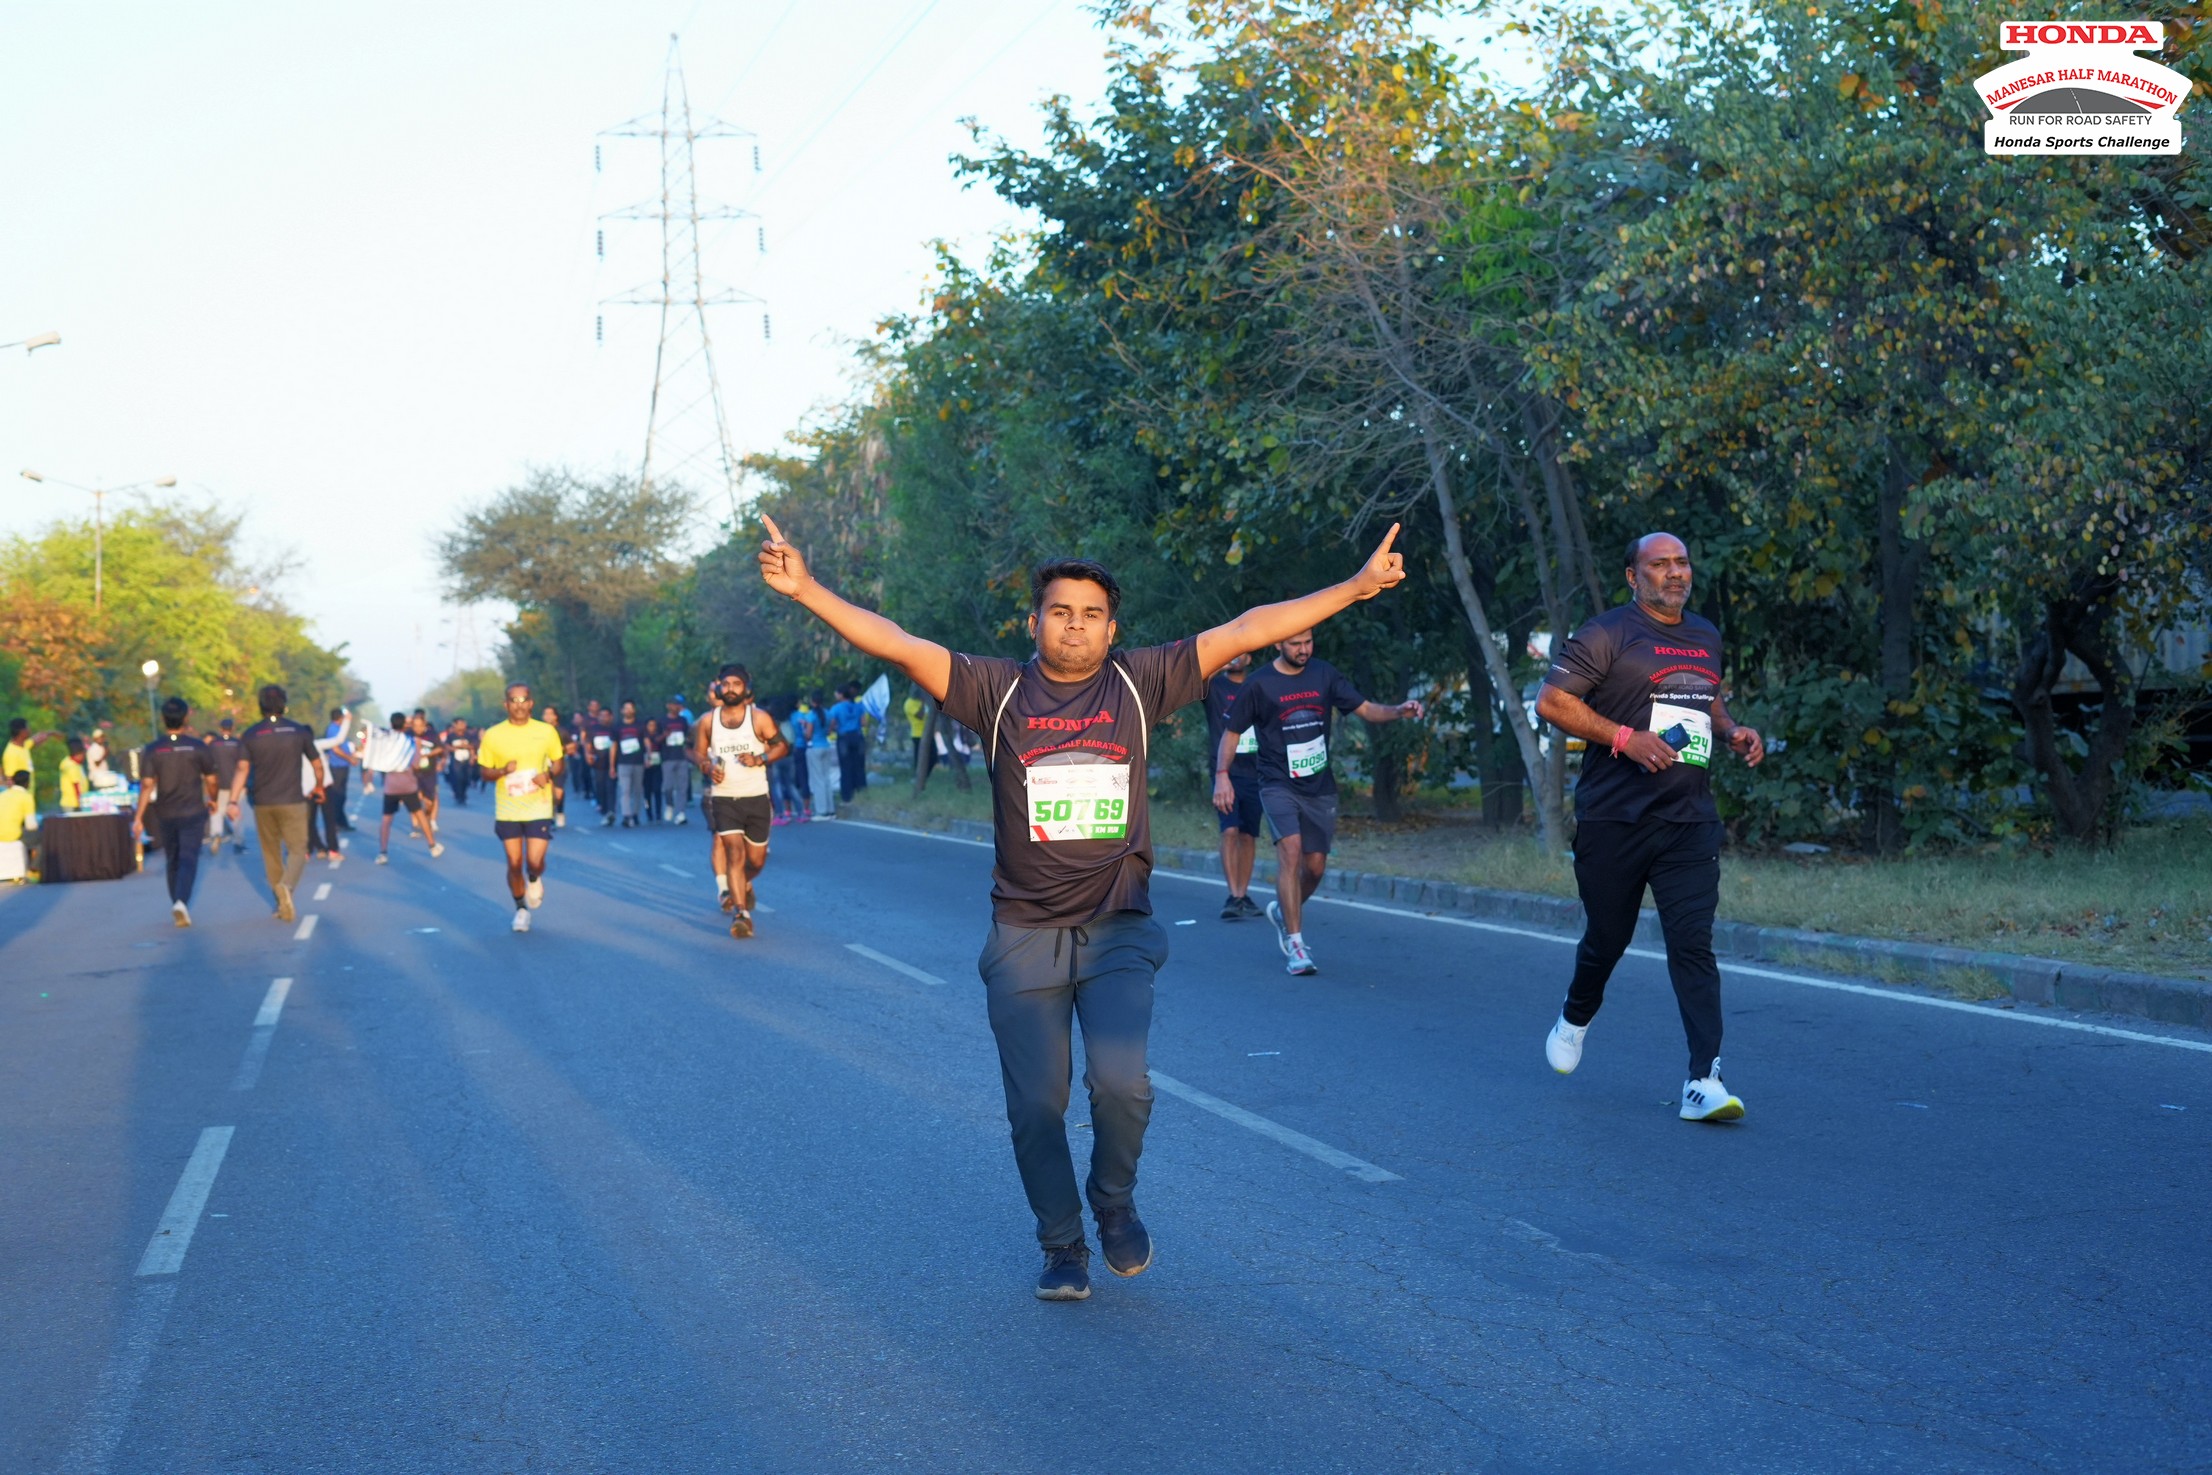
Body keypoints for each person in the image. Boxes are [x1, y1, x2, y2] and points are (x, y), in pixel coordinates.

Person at [759, 512, 1411, 1301]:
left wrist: (1356, 586)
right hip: (1023, 934)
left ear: (1112, 628)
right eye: (1061, 611)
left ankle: (1113, 1200)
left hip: (1117, 925)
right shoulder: (995, 689)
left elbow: (1248, 628)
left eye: (1092, 613)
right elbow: (896, 642)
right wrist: (807, 589)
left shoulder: (1141, 680)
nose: (1076, 625)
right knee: (1037, 1105)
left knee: (1122, 1082)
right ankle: (1062, 1241)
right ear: (1034, 622)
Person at [1533, 532, 1765, 1123]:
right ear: (1633, 577)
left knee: (1693, 943)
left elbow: (1707, 699)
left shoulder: (1706, 635)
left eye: (1682, 562)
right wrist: (1624, 738)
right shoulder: (1607, 633)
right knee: (1608, 938)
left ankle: (1703, 1081)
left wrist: (1730, 731)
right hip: (1615, 817)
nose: (1675, 572)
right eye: (1659, 564)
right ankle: (1576, 1014)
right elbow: (1552, 703)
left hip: (1688, 818)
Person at [1221, 631, 1424, 977]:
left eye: (1308, 642)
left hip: (1319, 786)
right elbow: (1232, 732)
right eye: (1295, 643)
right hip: (1277, 783)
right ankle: (1296, 944)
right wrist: (1221, 775)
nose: (1303, 649)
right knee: (1290, 851)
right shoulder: (1259, 684)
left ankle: (1284, 911)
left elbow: (1366, 709)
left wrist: (1398, 711)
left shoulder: (1324, 674)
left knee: (1314, 868)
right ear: (1278, 644)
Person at [693, 665, 788, 936]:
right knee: (734, 853)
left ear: (745, 688)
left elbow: (782, 746)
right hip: (724, 798)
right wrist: (707, 767)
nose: (731, 688)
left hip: (756, 797)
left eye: (736, 684)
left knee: (756, 861)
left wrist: (760, 758)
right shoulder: (708, 721)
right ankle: (741, 914)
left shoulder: (759, 718)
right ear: (718, 687)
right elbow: (698, 753)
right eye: (726, 684)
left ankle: (744, 884)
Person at [226, 683, 328, 923]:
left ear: (260, 706)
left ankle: (281, 902)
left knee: (271, 853)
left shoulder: (251, 734)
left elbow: (242, 769)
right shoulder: (298, 731)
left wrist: (233, 801)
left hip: (262, 802)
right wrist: (319, 786)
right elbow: (317, 765)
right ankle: (286, 886)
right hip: (292, 800)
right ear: (284, 705)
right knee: (298, 848)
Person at [477, 682, 566, 934]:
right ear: (506, 704)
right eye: (513, 701)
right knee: (514, 863)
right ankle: (521, 909)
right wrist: (503, 771)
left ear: (531, 703)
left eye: (523, 700)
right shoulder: (493, 735)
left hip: (538, 805)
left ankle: (534, 878)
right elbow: (484, 772)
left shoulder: (546, 731)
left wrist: (548, 775)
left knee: (534, 862)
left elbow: (558, 763)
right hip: (508, 808)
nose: (519, 705)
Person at [131, 696, 220, 926]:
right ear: (186, 718)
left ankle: (176, 902)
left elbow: (147, 785)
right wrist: (213, 799)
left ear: (163, 719)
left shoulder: (153, 749)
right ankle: (181, 901)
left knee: (172, 858)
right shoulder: (197, 746)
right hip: (193, 811)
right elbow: (211, 780)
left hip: (165, 812)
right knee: (188, 857)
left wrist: (138, 817)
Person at [1204, 650, 1265, 921]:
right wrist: (1221, 659)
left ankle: (1243, 893)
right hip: (1224, 773)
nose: (1236, 658)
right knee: (1229, 830)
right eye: (1233, 654)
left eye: (1242, 654)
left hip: (1255, 771)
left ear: (1249, 660)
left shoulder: (1257, 686)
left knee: (1248, 835)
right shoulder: (1215, 687)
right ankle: (1233, 895)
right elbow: (1198, 679)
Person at [372, 713, 443, 864]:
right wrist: (418, 749)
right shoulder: (410, 741)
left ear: (391, 724)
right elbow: (416, 764)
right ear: (405, 725)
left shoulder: (386, 741)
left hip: (391, 786)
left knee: (386, 819)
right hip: (408, 785)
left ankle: (382, 852)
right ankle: (432, 846)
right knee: (420, 814)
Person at [206, 717, 245, 853]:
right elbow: (243, 765)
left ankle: (216, 834)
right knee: (235, 814)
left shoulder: (213, 744)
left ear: (220, 729)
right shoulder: (238, 744)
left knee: (216, 812)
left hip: (219, 784)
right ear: (232, 728)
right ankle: (238, 842)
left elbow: (209, 764)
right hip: (236, 785)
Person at [609, 699, 648, 827]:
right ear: (622, 711)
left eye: (631, 708)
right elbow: (613, 746)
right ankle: (626, 815)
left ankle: (635, 814)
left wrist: (648, 756)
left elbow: (646, 742)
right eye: (626, 708)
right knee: (624, 790)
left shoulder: (640, 725)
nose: (628, 711)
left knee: (637, 790)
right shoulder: (617, 727)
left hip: (638, 762)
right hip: (623, 762)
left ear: (634, 710)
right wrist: (612, 765)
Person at [827, 682, 869, 803]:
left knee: (845, 767)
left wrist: (833, 729)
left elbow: (831, 724)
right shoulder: (859, 706)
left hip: (844, 738)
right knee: (859, 766)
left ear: (841, 695)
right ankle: (861, 791)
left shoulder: (836, 708)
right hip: (858, 737)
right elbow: (864, 723)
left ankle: (847, 796)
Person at [795, 692, 834, 819]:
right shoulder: (828, 713)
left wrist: (804, 727)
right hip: (826, 746)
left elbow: (808, 735)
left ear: (812, 702)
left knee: (817, 780)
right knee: (826, 778)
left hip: (814, 748)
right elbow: (829, 730)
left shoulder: (811, 715)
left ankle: (821, 811)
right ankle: (830, 809)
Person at [321, 707, 357, 836]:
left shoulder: (338, 729)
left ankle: (341, 822)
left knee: (341, 796)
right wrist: (349, 758)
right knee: (337, 796)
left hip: (342, 766)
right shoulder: (333, 729)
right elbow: (335, 749)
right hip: (337, 766)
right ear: (340, 718)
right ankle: (335, 823)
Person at [0, 771, 40, 883]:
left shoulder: (3, 795)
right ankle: (33, 870)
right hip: (12, 834)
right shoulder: (26, 797)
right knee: (41, 839)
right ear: (28, 783)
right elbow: (31, 825)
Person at [661, 696, 693, 824]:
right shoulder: (662, 721)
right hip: (668, 757)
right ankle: (669, 804)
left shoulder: (683, 721)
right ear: (668, 706)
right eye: (673, 704)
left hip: (682, 757)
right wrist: (664, 735)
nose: (676, 707)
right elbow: (656, 739)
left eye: (678, 705)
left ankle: (681, 813)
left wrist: (688, 745)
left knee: (682, 787)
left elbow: (688, 736)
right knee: (667, 787)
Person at [585, 699, 618, 819]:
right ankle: (603, 809)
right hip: (598, 764)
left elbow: (616, 745)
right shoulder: (594, 729)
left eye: (606, 715)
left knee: (611, 787)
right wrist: (588, 755)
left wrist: (613, 765)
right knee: (600, 787)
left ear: (611, 717)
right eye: (601, 715)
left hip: (612, 764)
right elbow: (588, 743)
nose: (603, 718)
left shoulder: (614, 729)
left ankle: (611, 810)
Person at [544, 704, 574, 828]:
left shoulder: (562, 731)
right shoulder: (540, 731)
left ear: (556, 716)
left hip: (560, 764)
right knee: (547, 791)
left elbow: (573, 746)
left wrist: (562, 749)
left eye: (550, 714)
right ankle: (549, 816)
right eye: (545, 714)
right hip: (544, 765)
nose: (547, 716)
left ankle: (560, 812)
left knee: (558, 793)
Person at [444, 717, 475, 808]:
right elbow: (446, 746)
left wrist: (472, 756)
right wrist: (455, 748)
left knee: (466, 779)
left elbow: (473, 746)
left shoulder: (469, 735)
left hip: (466, 760)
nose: (462, 726)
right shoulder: (451, 736)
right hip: (455, 761)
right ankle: (458, 795)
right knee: (457, 778)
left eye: (463, 724)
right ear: (455, 725)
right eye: (460, 724)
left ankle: (463, 794)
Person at [642, 717, 666, 822]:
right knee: (647, 793)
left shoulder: (659, 737)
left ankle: (658, 813)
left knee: (657, 790)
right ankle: (648, 812)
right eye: (650, 725)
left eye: (654, 725)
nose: (652, 727)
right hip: (646, 768)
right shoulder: (643, 737)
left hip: (657, 766)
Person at [58, 737, 88, 811]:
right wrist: (80, 802)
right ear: (79, 754)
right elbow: (76, 785)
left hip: (75, 802)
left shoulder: (75, 764)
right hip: (72, 804)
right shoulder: (71, 766)